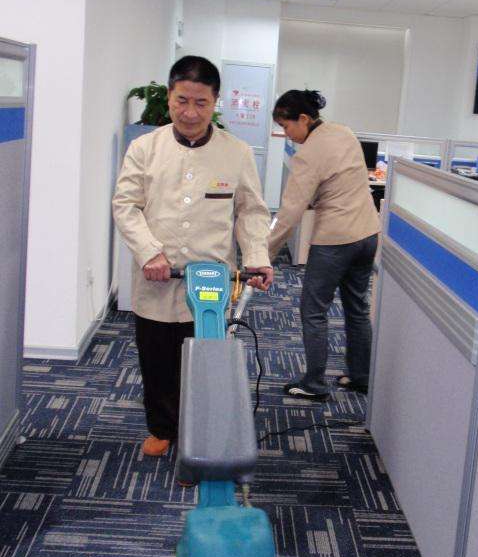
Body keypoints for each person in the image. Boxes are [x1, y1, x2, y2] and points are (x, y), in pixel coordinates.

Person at [113, 56, 273, 457]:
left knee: (204, 365)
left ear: (216, 102)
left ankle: (198, 441)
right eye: (182, 101)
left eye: (201, 103)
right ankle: (162, 428)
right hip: (156, 277)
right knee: (157, 360)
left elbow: (251, 211)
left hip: (209, 282)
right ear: (169, 96)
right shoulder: (144, 148)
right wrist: (149, 252)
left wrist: (257, 256)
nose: (190, 112)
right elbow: (126, 205)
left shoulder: (236, 152)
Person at [268, 90, 380, 401]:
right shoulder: (344, 133)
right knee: (357, 308)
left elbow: (290, 213)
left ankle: (314, 383)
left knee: (313, 310)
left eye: (287, 126)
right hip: (368, 233)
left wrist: (264, 253)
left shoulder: (308, 153)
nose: (287, 135)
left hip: (335, 240)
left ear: (304, 119)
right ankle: (362, 376)